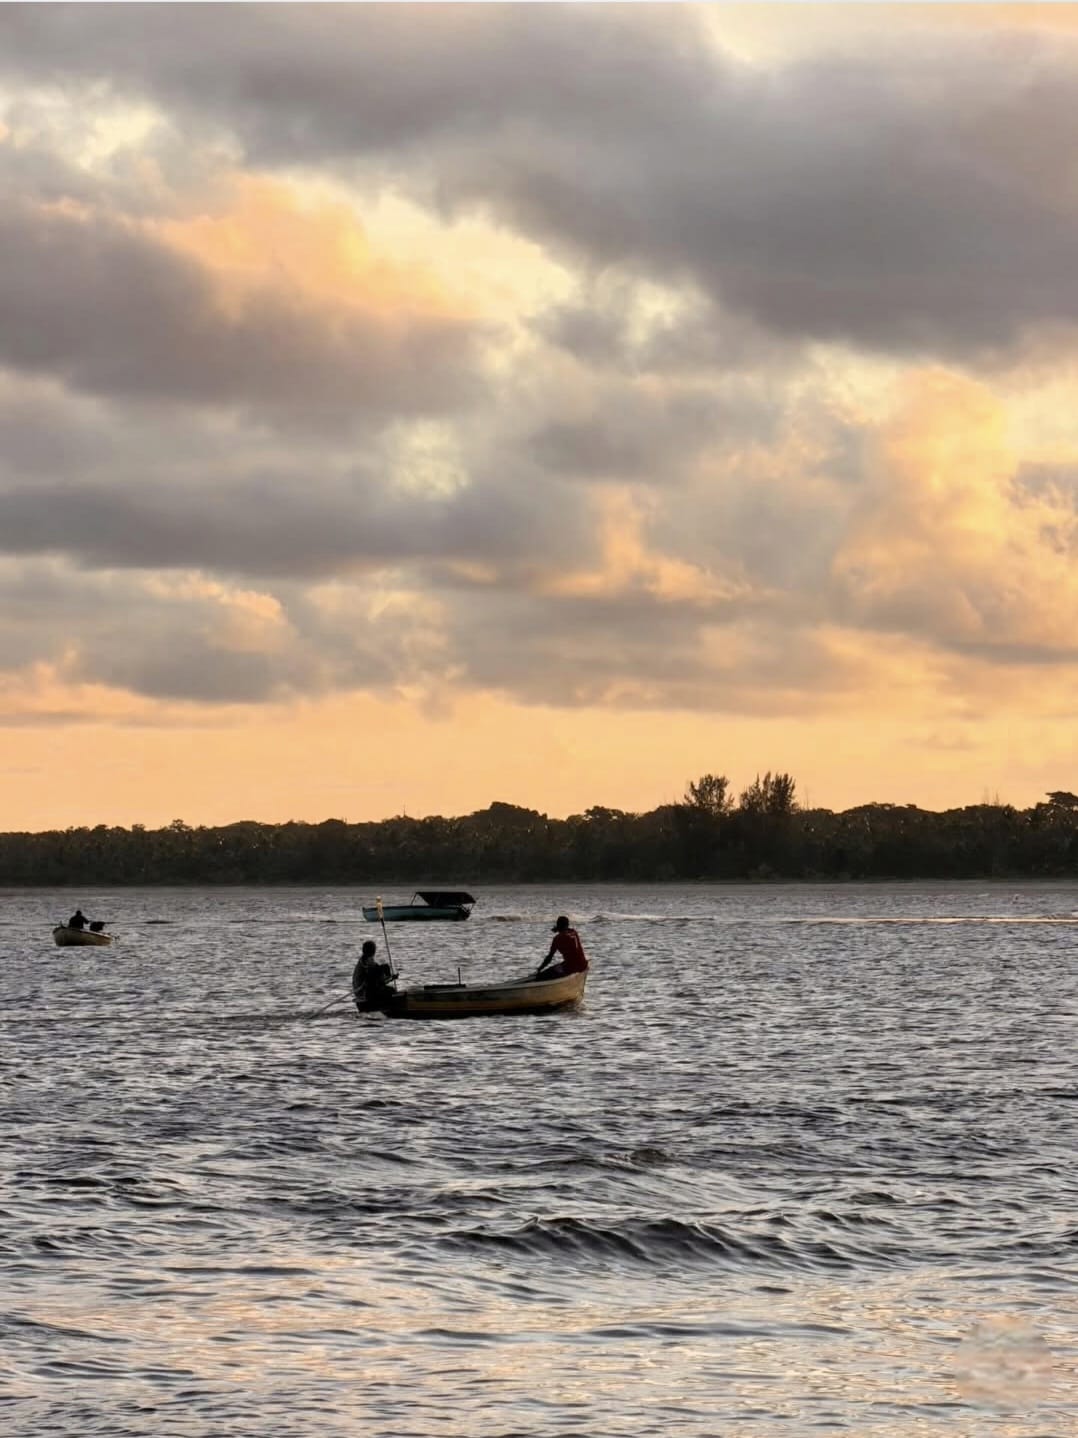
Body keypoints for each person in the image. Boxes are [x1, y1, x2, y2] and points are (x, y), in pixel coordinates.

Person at [536, 915, 588, 980]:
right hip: (583, 964)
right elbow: (567, 930)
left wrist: (540, 968)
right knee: (558, 967)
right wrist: (558, 929)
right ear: (567, 925)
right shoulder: (574, 932)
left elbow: (549, 957)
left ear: (558, 925)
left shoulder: (557, 939)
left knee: (543, 975)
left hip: (570, 968)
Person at [352, 939, 395, 1007]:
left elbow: (379, 980)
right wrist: (383, 969)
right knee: (384, 968)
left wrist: (391, 978)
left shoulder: (370, 961)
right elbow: (371, 976)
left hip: (368, 990)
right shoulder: (364, 962)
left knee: (391, 990)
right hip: (363, 992)